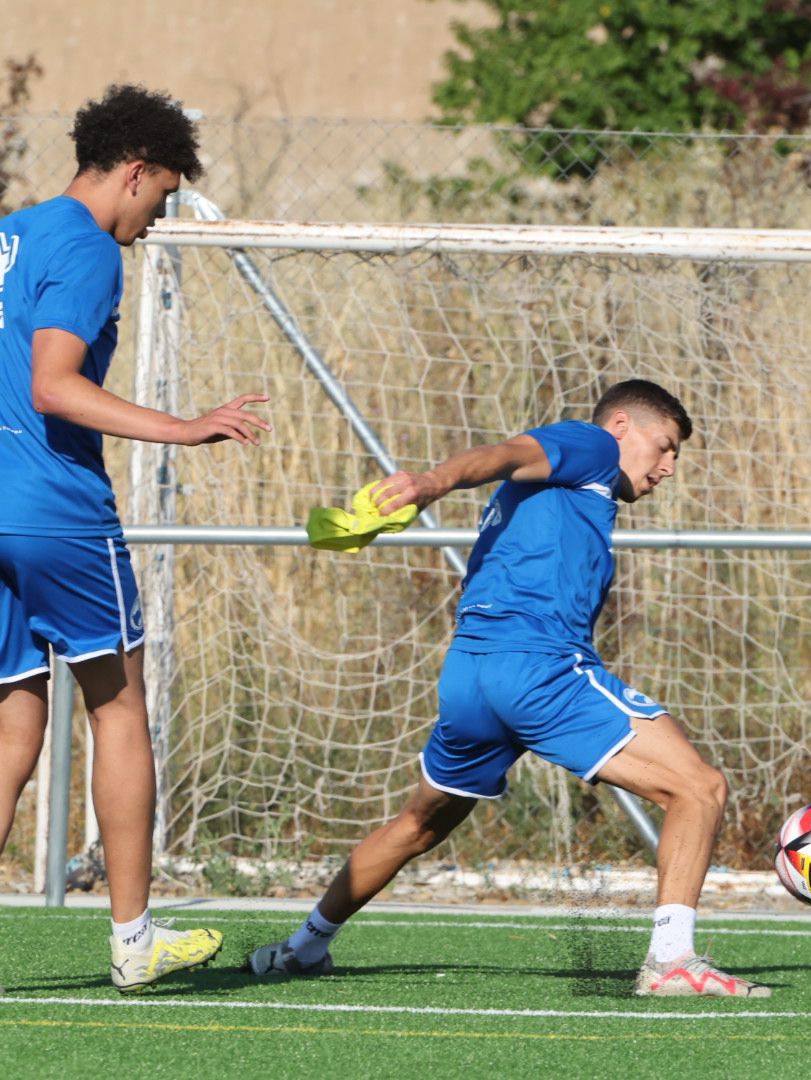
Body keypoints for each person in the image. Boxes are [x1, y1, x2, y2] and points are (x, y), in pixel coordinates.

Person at [247, 379, 771, 997]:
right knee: (699, 788)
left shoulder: (568, 493)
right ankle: (671, 961)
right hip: (536, 667)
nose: (669, 468)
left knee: (419, 824)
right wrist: (430, 482)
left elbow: (512, 469)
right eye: (665, 446)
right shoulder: (594, 445)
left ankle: (303, 948)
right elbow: (508, 451)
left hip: (471, 673)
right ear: (623, 426)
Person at [0, 85, 270, 991]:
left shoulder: (15, 231)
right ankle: (133, 938)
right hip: (54, 509)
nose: (155, 218)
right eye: (160, 197)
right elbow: (54, 385)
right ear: (134, 170)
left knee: (11, 724)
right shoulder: (83, 248)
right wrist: (186, 426)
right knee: (119, 707)